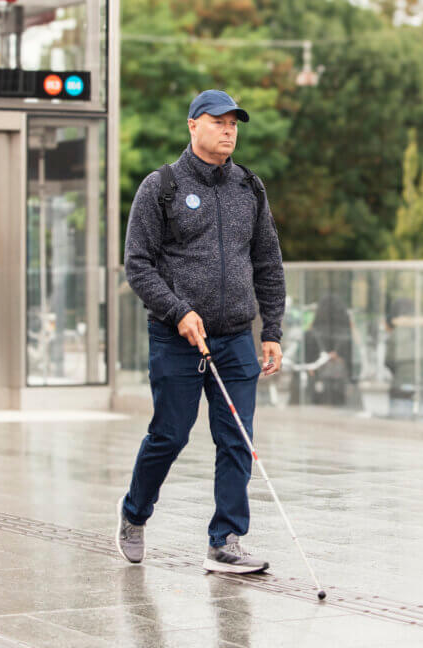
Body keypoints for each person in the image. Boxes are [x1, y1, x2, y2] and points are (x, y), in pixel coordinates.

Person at [117, 90, 286, 574]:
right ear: (193, 125)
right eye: (218, 121)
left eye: (234, 123)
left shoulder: (249, 189)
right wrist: (178, 311)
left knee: (237, 437)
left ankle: (225, 540)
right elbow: (138, 265)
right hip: (177, 337)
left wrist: (270, 328)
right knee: (169, 435)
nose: (229, 130)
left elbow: (267, 263)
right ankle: (134, 513)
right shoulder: (161, 187)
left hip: (234, 337)